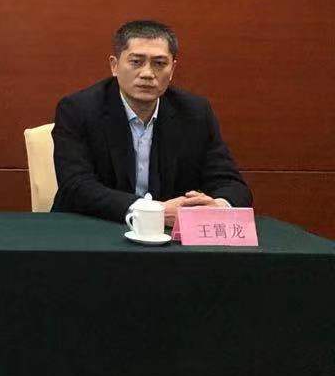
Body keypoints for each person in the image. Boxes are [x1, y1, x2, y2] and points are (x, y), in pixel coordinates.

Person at [52, 19, 250, 225]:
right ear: (114, 65)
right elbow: (76, 186)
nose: (147, 74)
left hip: (169, 236)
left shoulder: (195, 113)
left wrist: (217, 207)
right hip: (96, 227)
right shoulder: (78, 109)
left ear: (172, 69)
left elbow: (232, 184)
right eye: (136, 62)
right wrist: (153, 211)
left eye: (159, 64)